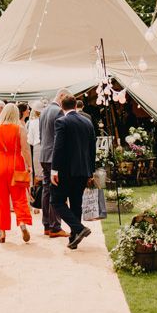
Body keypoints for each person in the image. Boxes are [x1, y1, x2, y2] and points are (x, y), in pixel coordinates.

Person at [50, 94, 96, 250]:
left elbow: (58, 147)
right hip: (83, 170)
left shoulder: (61, 121)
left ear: (62, 107)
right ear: (75, 105)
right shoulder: (87, 122)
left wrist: (54, 170)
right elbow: (92, 149)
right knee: (76, 203)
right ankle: (74, 238)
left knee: (56, 201)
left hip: (65, 170)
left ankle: (78, 228)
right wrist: (91, 171)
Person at [0, 102, 33, 243]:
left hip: (0, 164)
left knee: (0, 198)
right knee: (19, 196)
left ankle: (2, 232)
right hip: (16, 163)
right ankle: (22, 224)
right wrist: (29, 165)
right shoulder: (20, 128)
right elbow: (25, 149)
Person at [39, 89, 69, 238]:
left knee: (46, 190)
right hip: (53, 157)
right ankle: (55, 227)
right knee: (56, 190)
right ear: (62, 96)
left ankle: (46, 225)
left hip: (44, 154)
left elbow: (41, 135)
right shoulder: (58, 111)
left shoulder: (44, 111)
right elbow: (59, 138)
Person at [26, 101, 43, 180]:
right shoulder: (47, 120)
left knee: (38, 175)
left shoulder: (32, 122)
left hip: (37, 147)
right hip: (48, 148)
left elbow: (30, 140)